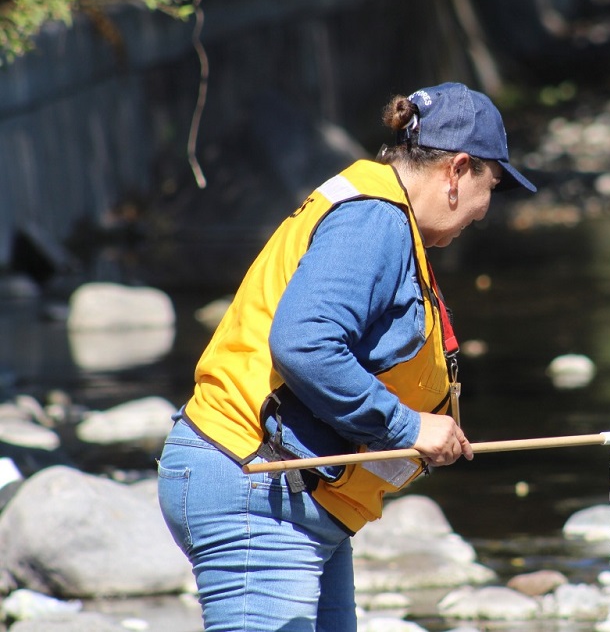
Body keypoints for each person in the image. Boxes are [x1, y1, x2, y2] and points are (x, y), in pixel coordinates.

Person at [157, 82, 537, 632]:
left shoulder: (383, 213)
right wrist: (405, 426)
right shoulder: (375, 219)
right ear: (457, 171)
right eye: (492, 185)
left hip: (294, 494)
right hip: (256, 484)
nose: (484, 210)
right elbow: (304, 342)